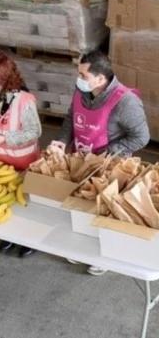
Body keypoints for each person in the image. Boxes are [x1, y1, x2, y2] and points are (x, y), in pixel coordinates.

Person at [49, 50, 149, 276]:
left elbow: (141, 137)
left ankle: (105, 257)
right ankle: (82, 248)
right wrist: (61, 142)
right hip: (81, 158)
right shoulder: (81, 91)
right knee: (81, 206)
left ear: (101, 78)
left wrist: (109, 153)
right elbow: (70, 119)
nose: (78, 79)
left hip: (111, 166)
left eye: (83, 75)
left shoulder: (126, 102)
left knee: (104, 210)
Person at [0, 53, 42, 258]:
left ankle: (30, 240)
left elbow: (34, 132)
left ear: (5, 79)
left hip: (22, 163)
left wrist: (2, 138)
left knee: (24, 203)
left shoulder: (23, 100)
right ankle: (9, 236)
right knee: (2, 200)